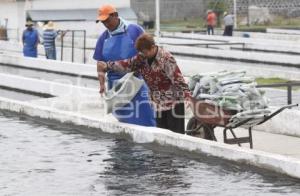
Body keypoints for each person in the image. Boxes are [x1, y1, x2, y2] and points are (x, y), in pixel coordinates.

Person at [97, 33, 191, 134]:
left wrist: (187, 97)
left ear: (153, 47)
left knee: (175, 135)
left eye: (145, 52)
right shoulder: (141, 58)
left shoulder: (166, 59)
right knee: (161, 135)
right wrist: (108, 65)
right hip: (158, 104)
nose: (143, 54)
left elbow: (178, 79)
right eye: (141, 52)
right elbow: (127, 64)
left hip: (174, 104)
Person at [93, 4, 156, 127]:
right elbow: (100, 64)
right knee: (123, 122)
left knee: (145, 116)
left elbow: (149, 52)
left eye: (107, 20)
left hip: (136, 82)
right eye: (102, 22)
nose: (105, 24)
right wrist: (101, 84)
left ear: (115, 15)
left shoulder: (134, 30)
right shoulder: (103, 38)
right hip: (116, 89)